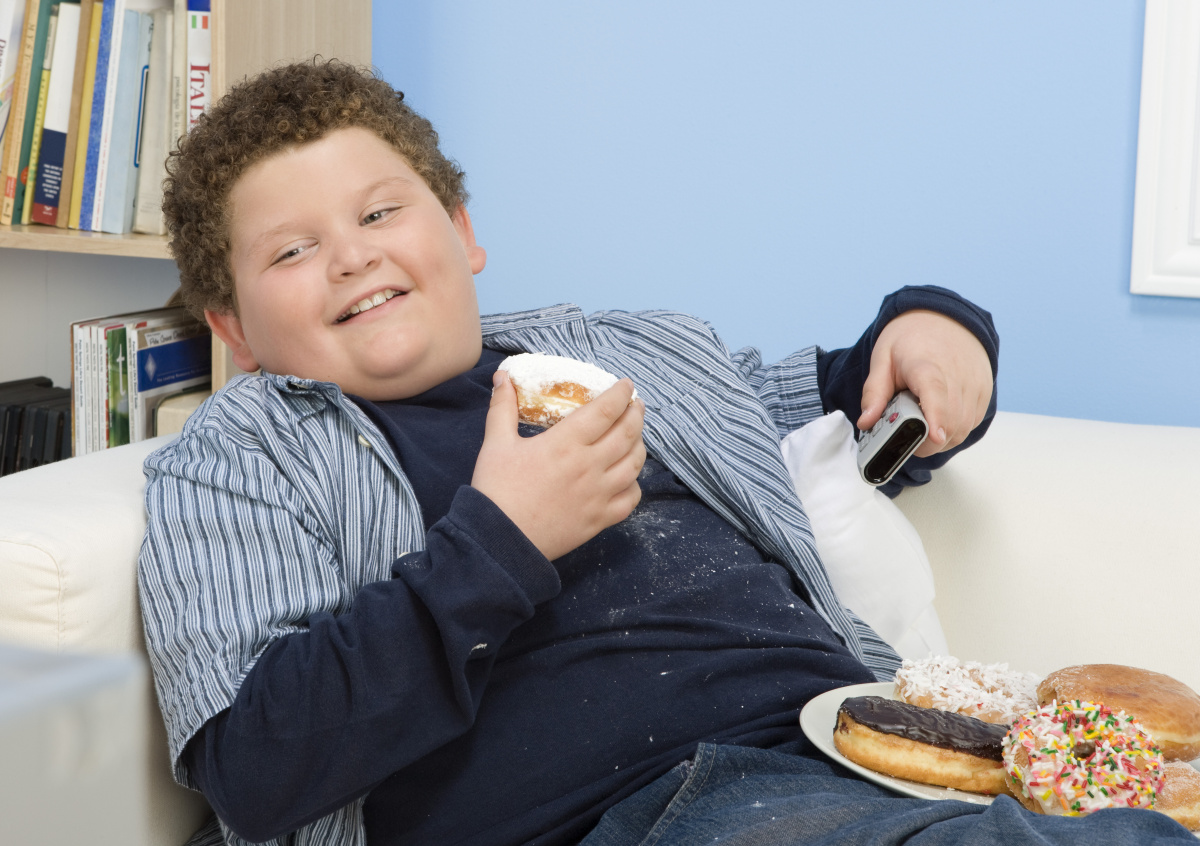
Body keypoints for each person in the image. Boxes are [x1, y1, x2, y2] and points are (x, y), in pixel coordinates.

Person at [137, 59, 1189, 846]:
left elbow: (849, 403)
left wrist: (936, 325)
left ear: (461, 230)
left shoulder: (619, 351)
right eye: (292, 250)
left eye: (379, 211)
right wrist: (500, 541)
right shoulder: (239, 454)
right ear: (232, 328)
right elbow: (256, 767)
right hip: (652, 807)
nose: (352, 254)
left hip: (867, 754)